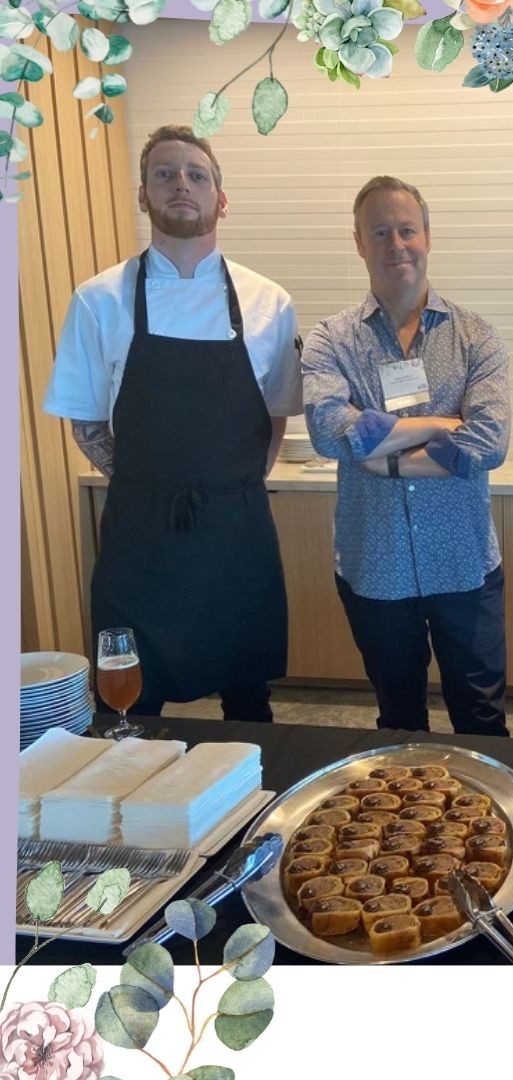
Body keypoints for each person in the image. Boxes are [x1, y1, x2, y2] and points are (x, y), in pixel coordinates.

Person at [44, 124, 301, 722]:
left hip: (237, 532)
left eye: (196, 174)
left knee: (248, 699)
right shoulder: (98, 299)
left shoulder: (270, 302)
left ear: (221, 199)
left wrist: (227, 487)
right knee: (130, 701)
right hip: (140, 535)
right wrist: (145, 484)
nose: (180, 184)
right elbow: (85, 423)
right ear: (143, 196)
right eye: (164, 174)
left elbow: (276, 417)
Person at [302, 176, 510, 737]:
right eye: (380, 232)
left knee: (482, 718)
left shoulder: (477, 337)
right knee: (399, 721)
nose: (396, 243)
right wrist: (442, 425)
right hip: (376, 564)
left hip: (464, 564)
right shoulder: (330, 340)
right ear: (358, 242)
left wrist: (384, 454)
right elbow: (328, 432)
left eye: (407, 230)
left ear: (427, 237)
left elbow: (488, 442)